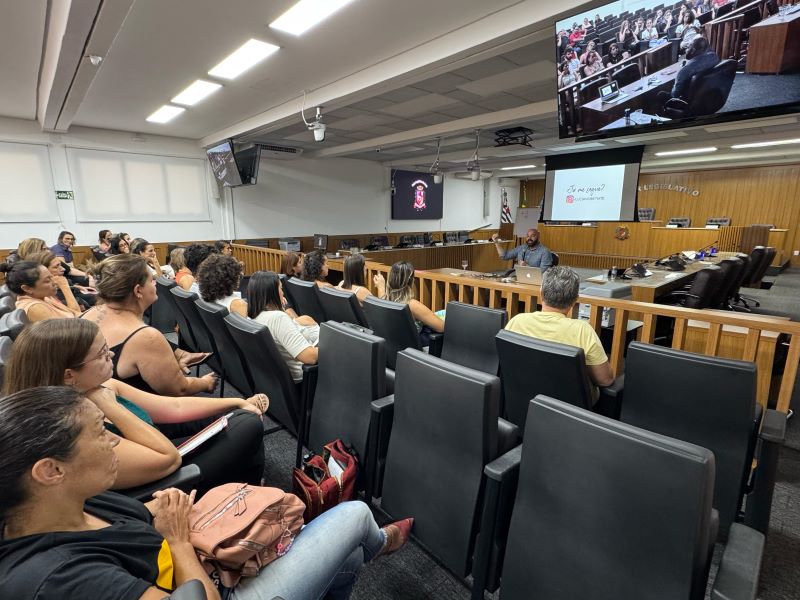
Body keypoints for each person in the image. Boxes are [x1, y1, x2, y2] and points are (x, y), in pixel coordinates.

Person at [0, 385, 413, 600]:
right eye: (99, 433)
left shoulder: (69, 500)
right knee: (355, 515)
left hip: (205, 567)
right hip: (215, 588)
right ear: (51, 470)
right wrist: (179, 542)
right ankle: (379, 542)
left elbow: (140, 524)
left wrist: (171, 518)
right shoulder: (57, 577)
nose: (112, 441)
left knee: (349, 556)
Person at [3, 318, 268, 494]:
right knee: (248, 426)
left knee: (237, 414)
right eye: (102, 354)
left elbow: (173, 408)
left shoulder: (100, 386)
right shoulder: (69, 425)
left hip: (159, 452)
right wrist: (109, 405)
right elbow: (167, 461)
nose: (112, 355)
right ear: (69, 375)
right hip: (161, 482)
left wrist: (236, 401)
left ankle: (250, 489)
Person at [83, 254, 217, 396]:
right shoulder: (145, 336)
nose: (155, 284)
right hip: (140, 414)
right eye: (152, 280)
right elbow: (179, 388)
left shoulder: (88, 314)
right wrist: (206, 382)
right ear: (138, 290)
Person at [505, 266, 614, 400]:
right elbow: (605, 380)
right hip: (568, 410)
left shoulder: (516, 321)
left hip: (522, 398)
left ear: (541, 294)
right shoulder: (582, 331)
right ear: (575, 300)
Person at [247, 271, 319, 382]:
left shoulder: (254, 317)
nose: (283, 293)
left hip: (276, 381)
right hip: (307, 378)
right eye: (281, 289)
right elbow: (310, 357)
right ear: (272, 293)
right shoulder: (278, 318)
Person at [383, 261, 444, 345]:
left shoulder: (383, 300)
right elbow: (442, 327)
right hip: (415, 350)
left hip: (395, 349)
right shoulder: (412, 305)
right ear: (411, 281)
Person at [0, 260, 79, 321]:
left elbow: (76, 313)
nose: (55, 282)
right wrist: (65, 287)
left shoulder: (43, 297)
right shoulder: (35, 308)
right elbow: (71, 335)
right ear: (27, 288)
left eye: (52, 277)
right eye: (47, 280)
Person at [667, 36, 720, 100]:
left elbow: (675, 95)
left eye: (689, 47)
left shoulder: (684, 71)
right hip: (708, 95)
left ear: (693, 50)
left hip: (689, 100)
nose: (686, 49)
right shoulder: (714, 57)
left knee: (661, 94)